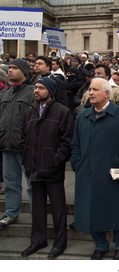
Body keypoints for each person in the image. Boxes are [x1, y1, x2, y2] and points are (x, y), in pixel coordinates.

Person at [71, 77, 119, 260]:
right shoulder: (83, 116)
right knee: (92, 210)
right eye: (89, 89)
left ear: (107, 93)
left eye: (95, 89)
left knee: (117, 210)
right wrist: (77, 163)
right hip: (87, 173)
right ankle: (100, 245)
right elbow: (75, 145)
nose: (90, 92)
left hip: (114, 175)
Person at [21, 77, 73, 259]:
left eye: (40, 88)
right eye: (35, 87)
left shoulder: (63, 112)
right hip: (34, 168)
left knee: (58, 209)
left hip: (53, 170)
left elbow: (67, 142)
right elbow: (23, 139)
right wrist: (26, 159)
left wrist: (55, 161)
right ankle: (38, 240)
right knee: (37, 208)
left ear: (50, 91)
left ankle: (60, 243)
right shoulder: (30, 111)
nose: (36, 90)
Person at [0, 59, 34, 229]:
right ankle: (11, 213)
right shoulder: (5, 93)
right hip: (7, 145)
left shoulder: (32, 92)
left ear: (24, 71)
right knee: (10, 183)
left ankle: (38, 215)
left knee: (32, 183)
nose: (10, 71)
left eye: (14, 68)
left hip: (26, 147)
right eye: (10, 68)